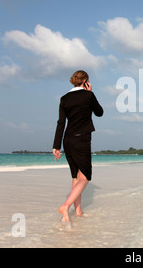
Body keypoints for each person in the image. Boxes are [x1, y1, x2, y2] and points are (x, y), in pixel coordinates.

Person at [52, 70, 103, 225]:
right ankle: (65, 206)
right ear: (85, 81)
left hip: (67, 140)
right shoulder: (88, 95)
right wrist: (90, 93)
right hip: (81, 140)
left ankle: (78, 212)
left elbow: (61, 123)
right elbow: (99, 112)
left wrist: (56, 146)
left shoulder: (64, 98)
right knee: (86, 176)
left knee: (76, 176)